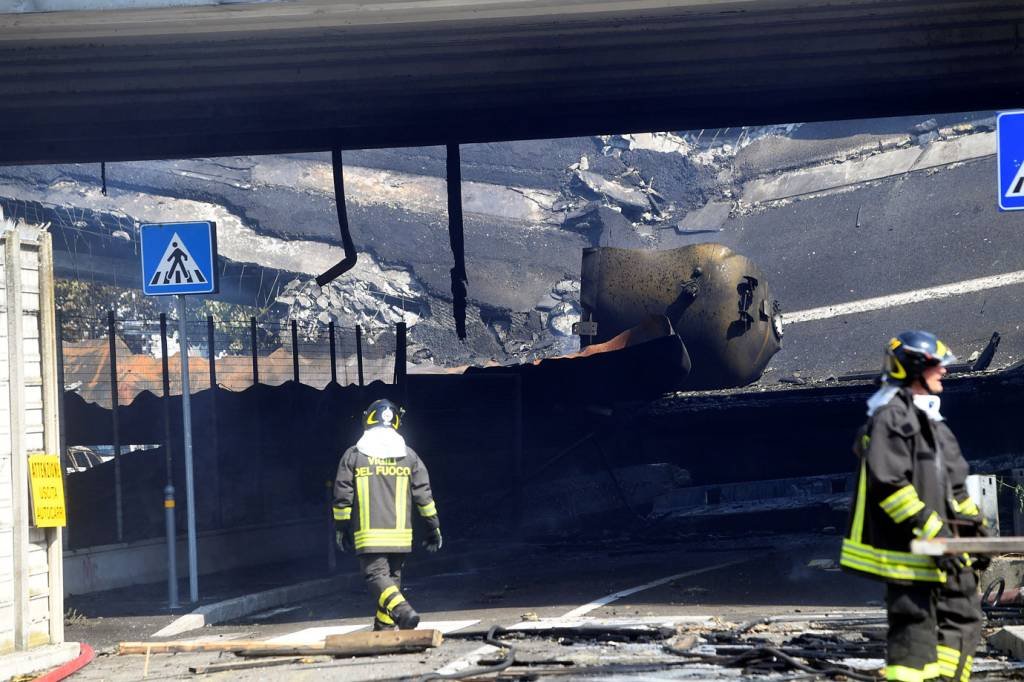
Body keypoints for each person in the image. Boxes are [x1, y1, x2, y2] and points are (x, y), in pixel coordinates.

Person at [840, 331, 990, 682]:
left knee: (965, 615)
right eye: (938, 365)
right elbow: (890, 486)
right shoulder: (890, 418)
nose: (945, 372)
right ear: (915, 368)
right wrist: (934, 530)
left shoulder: (934, 425)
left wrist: (976, 533)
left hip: (942, 549)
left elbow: (956, 490)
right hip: (909, 551)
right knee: (914, 629)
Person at [332, 399, 442, 630]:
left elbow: (343, 495)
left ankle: (403, 612)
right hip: (400, 535)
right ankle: (383, 629)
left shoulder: (354, 455)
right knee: (391, 579)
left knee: (375, 575)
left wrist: (341, 527)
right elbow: (424, 495)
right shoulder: (409, 456)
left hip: (370, 534)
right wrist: (433, 527)